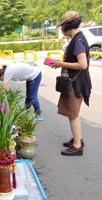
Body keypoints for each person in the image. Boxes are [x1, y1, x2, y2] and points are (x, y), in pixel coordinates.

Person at [50, 11, 92, 156]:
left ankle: (77, 146)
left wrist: (62, 63)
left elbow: (82, 65)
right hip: (76, 81)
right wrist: (61, 63)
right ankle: (77, 138)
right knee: (74, 113)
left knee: (73, 114)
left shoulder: (78, 41)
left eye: (62, 26)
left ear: (69, 26)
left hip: (76, 83)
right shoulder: (76, 39)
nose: (61, 29)